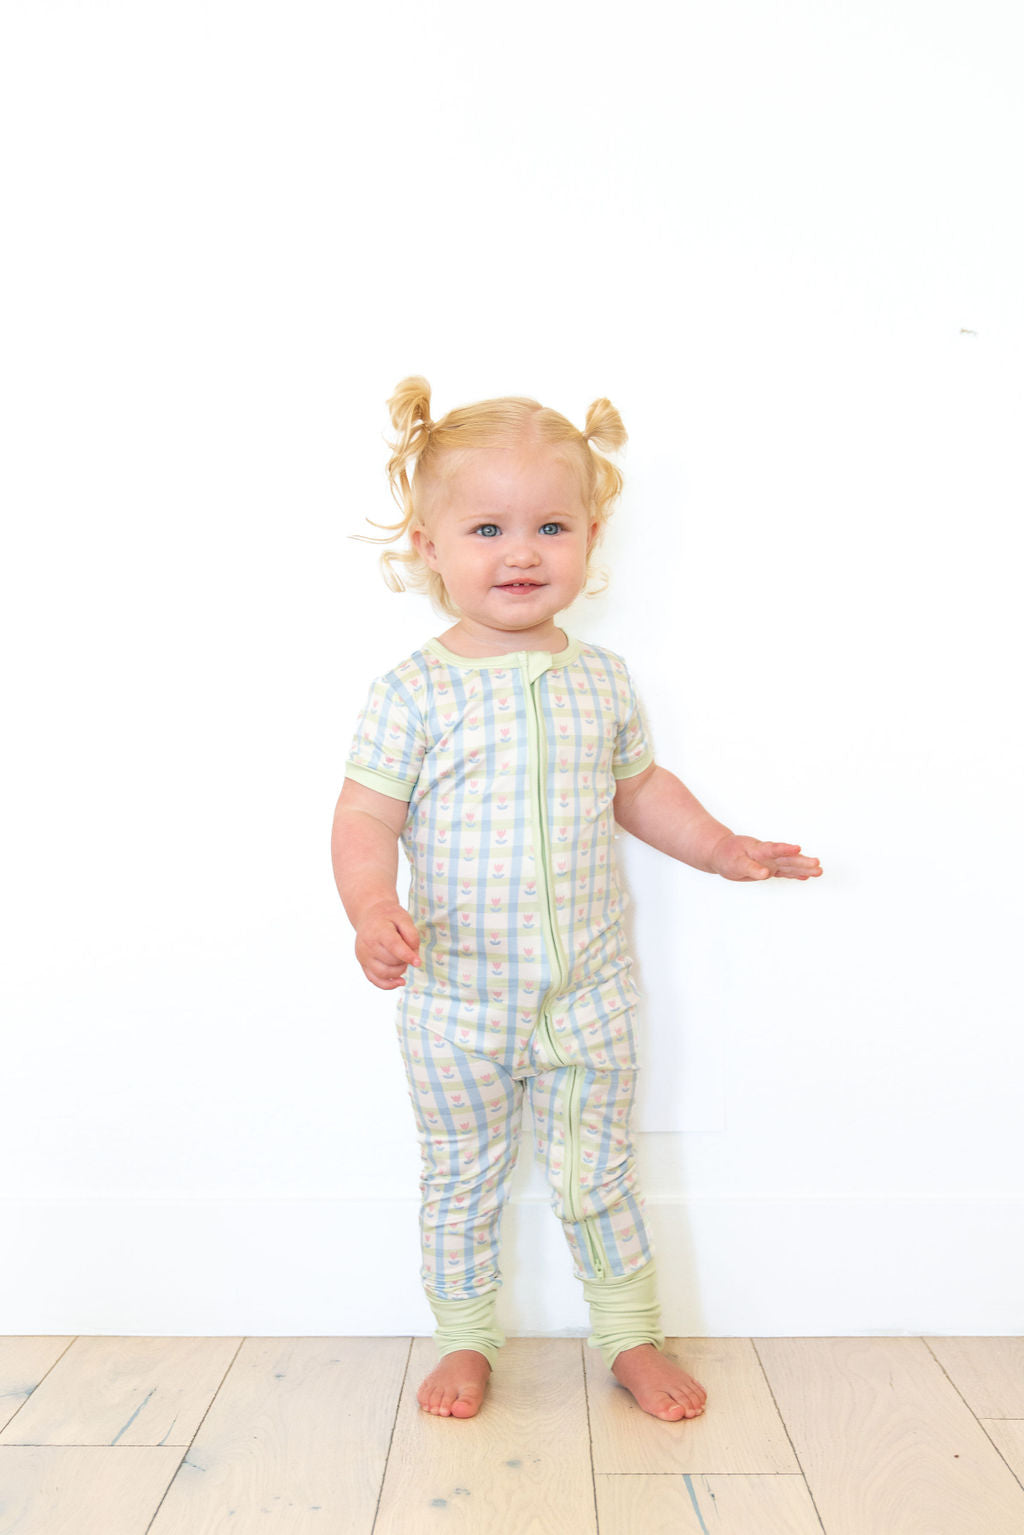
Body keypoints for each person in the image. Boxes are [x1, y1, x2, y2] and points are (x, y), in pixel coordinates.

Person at [331, 376, 821, 1422]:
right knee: (460, 1176)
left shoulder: (601, 678)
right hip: (455, 1001)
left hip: (588, 998)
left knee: (599, 1176)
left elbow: (638, 789)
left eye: (550, 526)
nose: (521, 552)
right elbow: (364, 816)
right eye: (488, 529)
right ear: (427, 545)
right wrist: (371, 907)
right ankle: (465, 1338)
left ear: (591, 538)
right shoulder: (413, 690)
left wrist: (722, 847)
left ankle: (630, 1334)